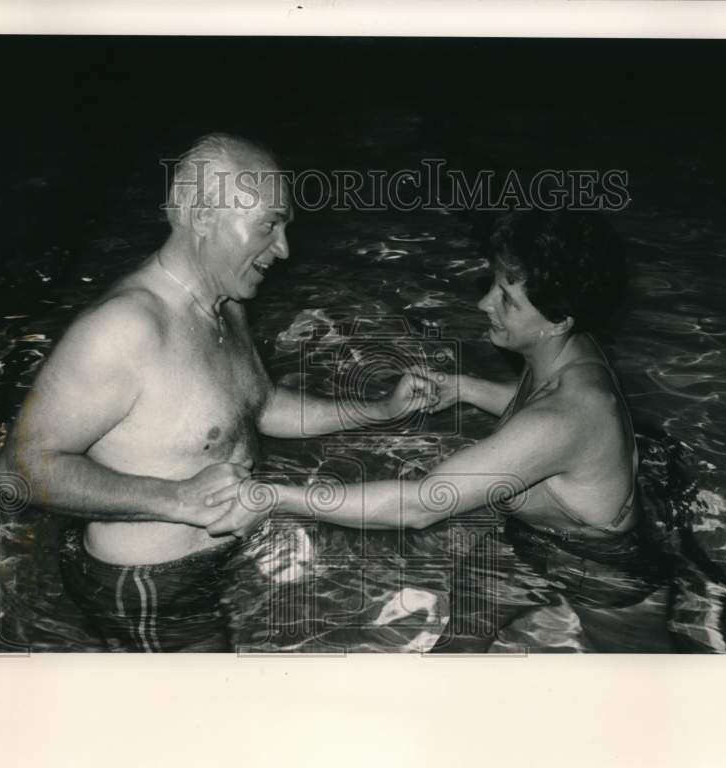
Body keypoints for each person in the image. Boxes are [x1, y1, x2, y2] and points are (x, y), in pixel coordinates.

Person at [0, 133, 435, 652]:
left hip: (217, 558)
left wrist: (379, 410)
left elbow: (259, 405)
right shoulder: (125, 330)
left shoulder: (225, 302)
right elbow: (19, 469)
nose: (284, 249)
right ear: (203, 216)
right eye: (269, 225)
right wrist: (178, 498)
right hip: (150, 590)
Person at [209, 209, 677, 652]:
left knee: (641, 696)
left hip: (606, 576)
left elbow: (419, 505)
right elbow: (536, 408)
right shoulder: (572, 354)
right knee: (455, 652)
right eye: (494, 284)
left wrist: (275, 497)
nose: (484, 302)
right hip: (531, 543)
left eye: (507, 300)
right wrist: (465, 389)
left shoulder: (565, 417)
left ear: (558, 321)